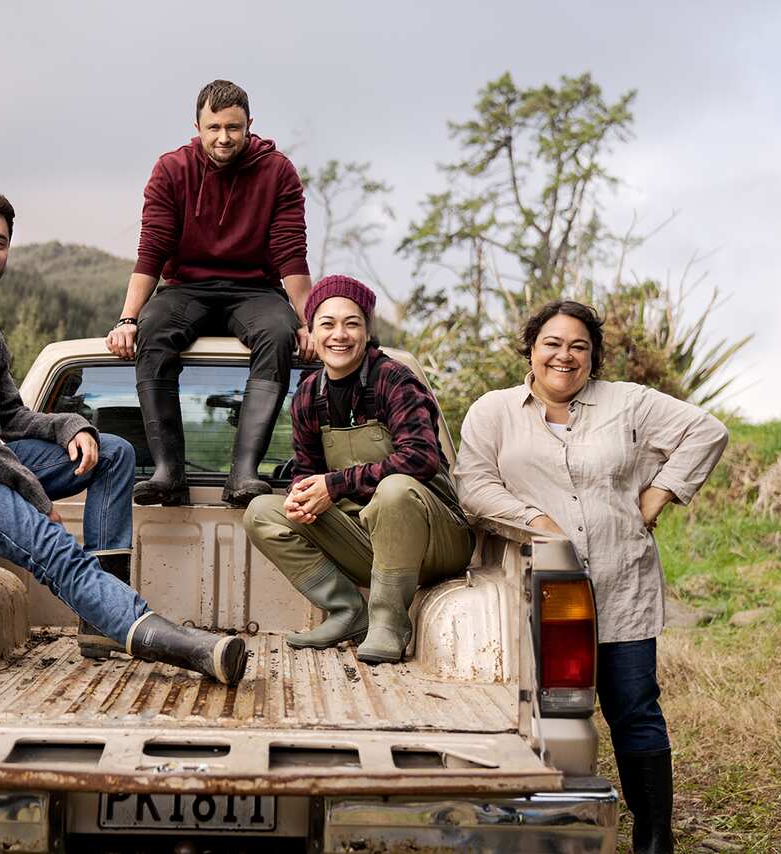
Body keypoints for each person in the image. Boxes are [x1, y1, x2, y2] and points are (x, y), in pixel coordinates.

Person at [0, 189, 247, 683]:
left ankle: (100, 624)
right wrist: (29, 489)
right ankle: (175, 644)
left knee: (113, 453)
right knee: (52, 545)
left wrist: (72, 425)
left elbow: (9, 417)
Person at [453, 299, 729, 854]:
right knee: (541, 712)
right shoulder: (494, 411)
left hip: (620, 581)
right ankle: (536, 831)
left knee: (634, 708)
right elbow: (475, 487)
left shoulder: (629, 403)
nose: (565, 355)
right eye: (553, 343)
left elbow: (707, 431)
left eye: (579, 346)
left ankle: (654, 837)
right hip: (533, 590)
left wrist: (657, 496)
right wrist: (537, 521)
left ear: (593, 357)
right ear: (531, 349)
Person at [243, 275, 474, 663]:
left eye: (352, 323)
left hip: (437, 539)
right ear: (312, 332)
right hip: (371, 540)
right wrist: (303, 496)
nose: (340, 334)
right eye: (328, 324)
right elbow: (308, 468)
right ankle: (349, 611)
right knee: (263, 512)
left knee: (396, 489)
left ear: (367, 331)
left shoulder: (394, 380)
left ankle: (390, 622)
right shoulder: (308, 396)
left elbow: (419, 457)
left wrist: (334, 486)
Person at [106, 79, 314, 508]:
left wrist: (309, 322)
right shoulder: (172, 169)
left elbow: (290, 252)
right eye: (214, 127)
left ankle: (243, 475)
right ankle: (168, 474)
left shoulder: (277, 172)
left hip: (255, 289)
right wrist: (128, 318)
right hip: (187, 288)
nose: (224, 137)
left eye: (233, 128)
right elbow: (153, 249)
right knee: (154, 329)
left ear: (249, 125)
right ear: (197, 126)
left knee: (279, 333)